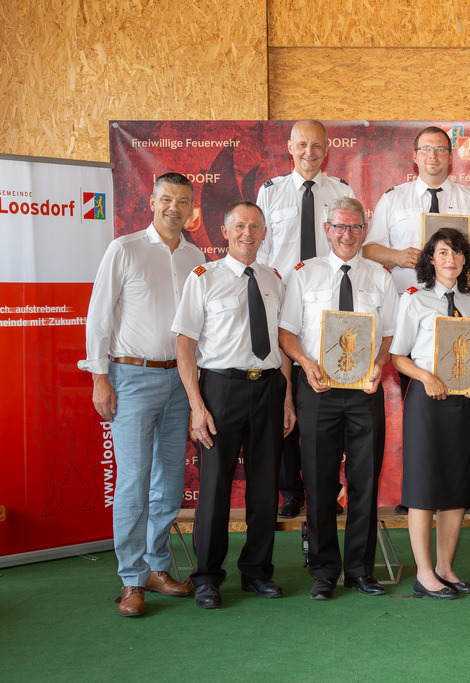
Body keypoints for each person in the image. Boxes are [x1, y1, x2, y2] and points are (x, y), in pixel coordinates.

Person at [79, 172, 205, 616]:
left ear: (192, 206)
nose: (175, 207)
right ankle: (131, 579)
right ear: (152, 202)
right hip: (130, 379)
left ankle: (157, 566)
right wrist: (99, 376)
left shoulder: (195, 256)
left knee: (169, 482)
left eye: (183, 200)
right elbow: (99, 316)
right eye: (167, 199)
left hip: (179, 381)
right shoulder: (125, 248)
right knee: (133, 483)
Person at [173, 201, 295, 609]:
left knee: (264, 488)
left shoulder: (274, 279)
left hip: (269, 390)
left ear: (264, 233)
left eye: (256, 227)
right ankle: (207, 577)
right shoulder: (203, 278)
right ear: (225, 232)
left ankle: (257, 572)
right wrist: (196, 404)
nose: (248, 233)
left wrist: (288, 398)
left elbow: (282, 344)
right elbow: (185, 346)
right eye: (240, 226)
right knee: (214, 491)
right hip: (221, 391)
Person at [278, 197, 399, 600]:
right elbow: (287, 332)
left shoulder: (381, 277)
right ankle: (325, 571)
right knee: (319, 481)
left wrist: (380, 363)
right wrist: (304, 363)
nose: (348, 235)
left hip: (365, 393)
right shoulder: (302, 275)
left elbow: (390, 334)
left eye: (356, 228)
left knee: (364, 482)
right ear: (328, 230)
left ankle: (361, 570)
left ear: (365, 231)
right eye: (340, 227)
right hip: (318, 391)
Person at [389, 228, 470, 599]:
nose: (450, 259)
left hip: (465, 403)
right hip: (427, 400)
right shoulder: (415, 300)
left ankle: (445, 567)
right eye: (442, 253)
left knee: (456, 487)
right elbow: (398, 356)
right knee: (423, 487)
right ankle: (423, 575)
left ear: (466, 260)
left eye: (457, 253)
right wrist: (424, 377)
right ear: (431, 260)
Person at [256, 118, 354, 520]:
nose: (309, 153)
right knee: (282, 397)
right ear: (290, 147)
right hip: (279, 304)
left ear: (327, 149)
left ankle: (327, 489)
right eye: (302, 145)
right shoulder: (271, 192)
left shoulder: (341, 192)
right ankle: (290, 490)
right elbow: (259, 252)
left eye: (317, 146)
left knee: (325, 397)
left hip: (324, 307)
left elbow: (349, 245)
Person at [364, 125, 470, 294]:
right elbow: (368, 251)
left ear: (450, 157)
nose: (433, 155)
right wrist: (396, 257)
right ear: (415, 156)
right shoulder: (392, 199)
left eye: (440, 149)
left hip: (456, 298)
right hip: (405, 298)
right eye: (426, 149)